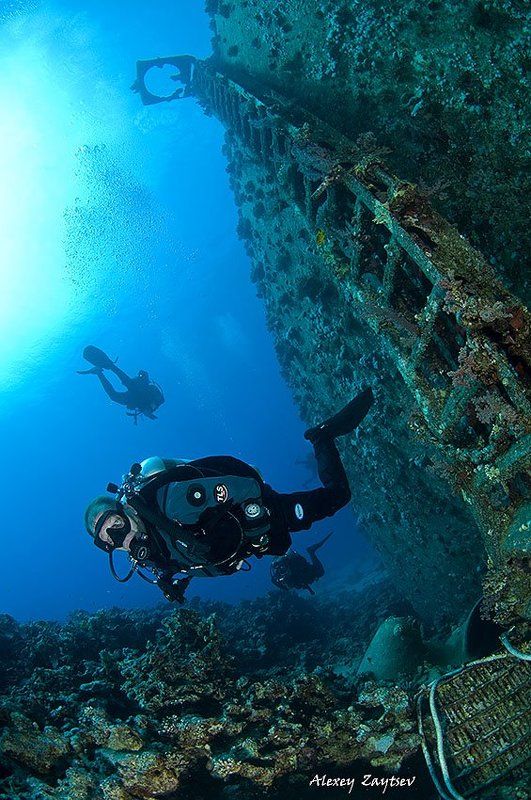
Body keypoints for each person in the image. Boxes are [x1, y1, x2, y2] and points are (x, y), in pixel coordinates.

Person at [84, 388, 374, 603]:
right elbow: (186, 551)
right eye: (109, 540)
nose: (120, 538)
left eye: (116, 525)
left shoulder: (170, 503)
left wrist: (257, 526)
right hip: (255, 538)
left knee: (337, 496)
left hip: (269, 513)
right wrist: (170, 579)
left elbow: (243, 487)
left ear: (126, 510)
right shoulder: (149, 551)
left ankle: (322, 437)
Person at [78, 346, 164, 423]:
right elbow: (152, 389)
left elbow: (143, 406)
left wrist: (147, 411)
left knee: (114, 396)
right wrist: (143, 378)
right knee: (128, 382)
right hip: (139, 388)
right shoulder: (159, 400)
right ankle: (109, 365)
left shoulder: (145, 406)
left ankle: (99, 372)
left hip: (134, 397)